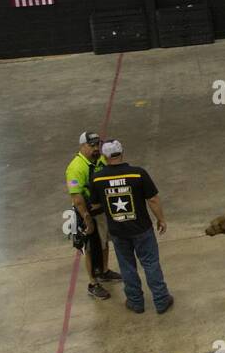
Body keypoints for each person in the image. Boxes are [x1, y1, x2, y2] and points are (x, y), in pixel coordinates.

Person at [89, 140, 173, 314]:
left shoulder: (97, 178)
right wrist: (161, 219)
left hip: (118, 232)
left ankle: (135, 302)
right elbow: (153, 199)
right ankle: (161, 300)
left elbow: (95, 205)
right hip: (142, 229)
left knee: (127, 266)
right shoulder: (137, 174)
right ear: (122, 153)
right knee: (151, 264)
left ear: (104, 157)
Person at [65, 131, 119, 300]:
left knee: (104, 243)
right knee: (91, 249)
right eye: (92, 145)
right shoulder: (75, 168)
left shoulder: (100, 160)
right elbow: (77, 197)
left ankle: (103, 271)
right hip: (88, 214)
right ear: (82, 146)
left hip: (103, 211)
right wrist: (87, 219)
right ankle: (93, 283)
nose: (96, 148)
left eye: (97, 145)